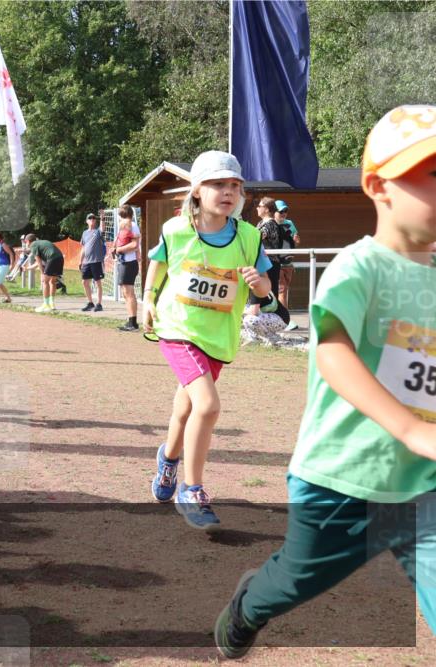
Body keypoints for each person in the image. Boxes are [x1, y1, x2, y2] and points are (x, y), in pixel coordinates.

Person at [214, 104, 436, 659]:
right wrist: (410, 428)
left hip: (424, 481)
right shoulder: (360, 267)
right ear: (379, 186)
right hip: (343, 478)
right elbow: (332, 350)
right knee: (294, 580)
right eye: (431, 174)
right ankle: (248, 605)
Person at [142, 150, 272, 530]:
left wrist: (261, 288)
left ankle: (167, 462)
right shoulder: (176, 229)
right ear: (197, 190)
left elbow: (266, 288)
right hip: (177, 328)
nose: (227, 191)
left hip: (219, 336)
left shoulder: (249, 237)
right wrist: (148, 300)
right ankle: (191, 489)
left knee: (186, 409)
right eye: (217, 184)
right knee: (209, 405)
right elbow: (159, 263)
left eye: (235, 185)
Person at [113, 205, 142, 330]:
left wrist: (119, 249)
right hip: (124, 262)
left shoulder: (132, 225)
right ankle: (131, 320)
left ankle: (133, 322)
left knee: (129, 292)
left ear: (123, 215)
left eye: (120, 215)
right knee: (125, 292)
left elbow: (135, 244)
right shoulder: (124, 226)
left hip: (129, 263)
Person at [23, 233, 65, 312]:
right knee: (52, 281)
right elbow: (39, 262)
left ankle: (46, 305)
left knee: (44, 281)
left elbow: (38, 261)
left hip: (52, 258)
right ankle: (52, 303)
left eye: (25, 242)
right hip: (60, 258)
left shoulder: (33, 245)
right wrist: (27, 268)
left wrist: (42, 273)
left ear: (28, 241)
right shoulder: (41, 243)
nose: (26, 244)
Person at [274, 200, 300, 318]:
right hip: (275, 263)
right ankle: (284, 320)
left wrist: (296, 240)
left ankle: (280, 318)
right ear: (274, 212)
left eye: (286, 211)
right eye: (281, 211)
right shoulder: (270, 224)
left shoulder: (290, 223)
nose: (284, 213)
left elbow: (297, 241)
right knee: (282, 291)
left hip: (288, 263)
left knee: (283, 291)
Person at [78, 213, 107, 312]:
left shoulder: (97, 231)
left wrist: (102, 218)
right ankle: (90, 303)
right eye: (90, 218)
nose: (92, 219)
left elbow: (102, 229)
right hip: (86, 262)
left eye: (94, 218)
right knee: (85, 282)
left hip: (96, 261)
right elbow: (83, 248)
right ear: (87, 221)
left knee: (98, 282)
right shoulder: (85, 233)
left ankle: (99, 304)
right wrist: (80, 261)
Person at [255, 196, 282, 297]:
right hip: (264, 263)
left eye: (259, 206)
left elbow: (256, 238)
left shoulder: (270, 224)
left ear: (266, 209)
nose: (257, 208)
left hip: (270, 264)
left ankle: (279, 313)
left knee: (270, 297)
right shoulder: (261, 223)